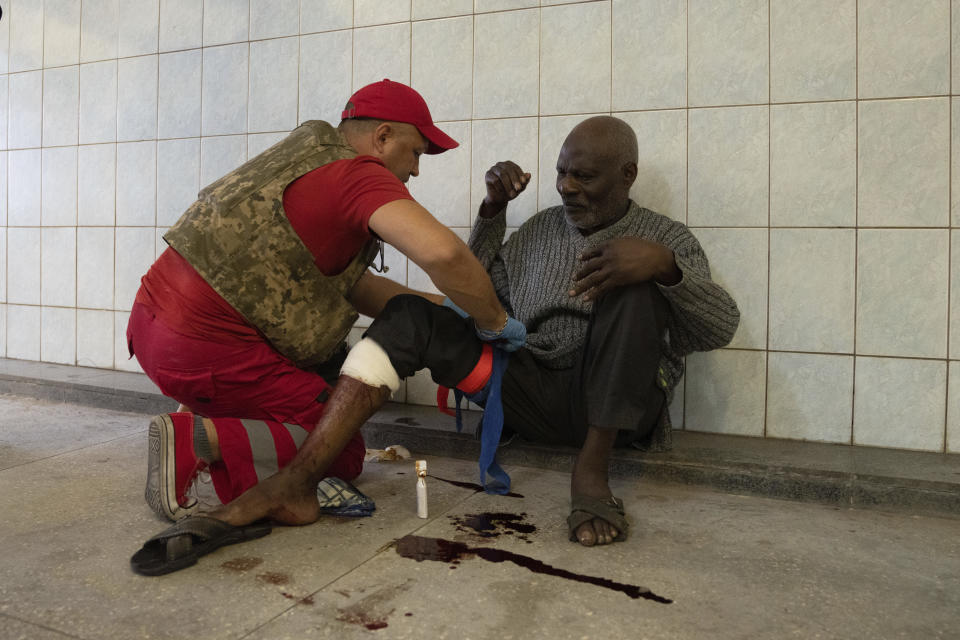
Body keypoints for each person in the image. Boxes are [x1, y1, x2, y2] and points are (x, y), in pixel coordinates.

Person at [131, 115, 737, 575]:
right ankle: (298, 479)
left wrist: (665, 270)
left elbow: (715, 330)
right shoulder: (542, 229)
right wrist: (494, 213)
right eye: (561, 173)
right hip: (530, 394)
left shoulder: (664, 237)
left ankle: (591, 475)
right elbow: (479, 298)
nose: (567, 187)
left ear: (627, 175)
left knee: (633, 292)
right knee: (410, 312)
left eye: (585, 176)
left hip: (615, 410)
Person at [127, 79, 524, 528]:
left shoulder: (306, 157)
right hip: (206, 343)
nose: (415, 170)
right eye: (415, 152)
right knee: (338, 445)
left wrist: (448, 307)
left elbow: (355, 288)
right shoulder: (360, 173)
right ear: (383, 137)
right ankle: (197, 439)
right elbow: (445, 253)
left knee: (313, 401)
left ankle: (209, 411)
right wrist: (494, 319)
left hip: (150, 324)